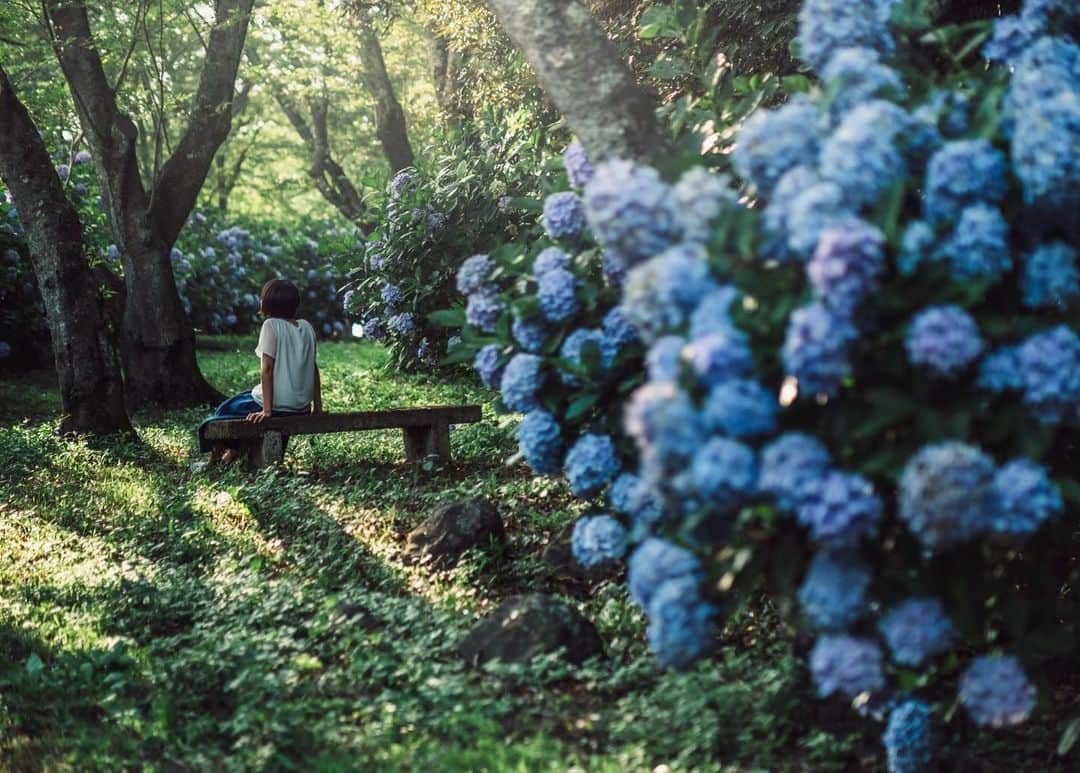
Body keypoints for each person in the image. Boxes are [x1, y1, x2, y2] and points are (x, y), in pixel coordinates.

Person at [198, 279, 323, 465]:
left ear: (267, 303)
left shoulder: (271, 325)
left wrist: (266, 410)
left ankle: (216, 460)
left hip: (277, 405)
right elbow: (313, 368)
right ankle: (233, 454)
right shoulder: (306, 327)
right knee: (243, 401)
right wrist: (317, 408)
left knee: (226, 408)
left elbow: (267, 368)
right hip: (301, 406)